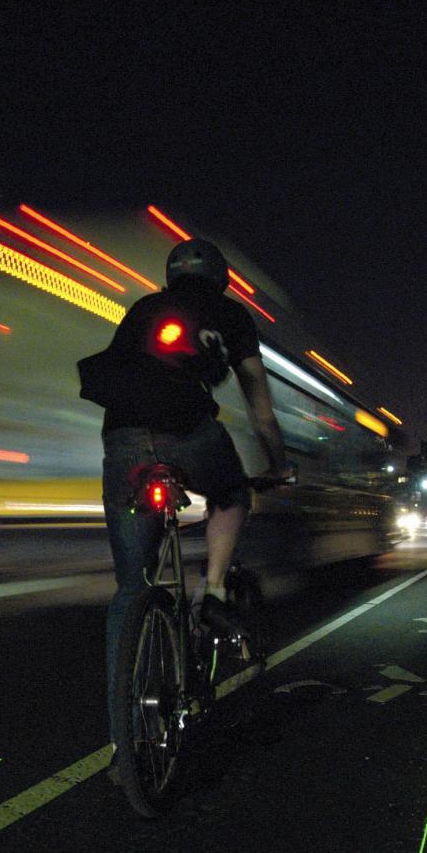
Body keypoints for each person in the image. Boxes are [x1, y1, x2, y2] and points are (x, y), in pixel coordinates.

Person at [83, 236, 290, 762]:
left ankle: (122, 742)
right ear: (220, 278)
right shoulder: (230, 315)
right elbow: (260, 404)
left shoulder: (144, 309)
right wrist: (278, 461)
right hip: (190, 431)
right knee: (230, 493)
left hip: (124, 437)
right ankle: (214, 591)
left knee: (131, 588)